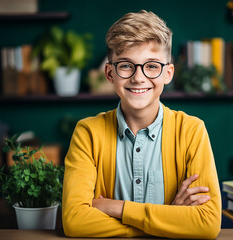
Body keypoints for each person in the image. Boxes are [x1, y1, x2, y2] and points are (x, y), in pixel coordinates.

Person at [62, 10, 221, 239]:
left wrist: (116, 208)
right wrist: (169, 221)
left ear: (168, 73)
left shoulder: (191, 131)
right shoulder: (88, 133)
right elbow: (75, 222)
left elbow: (207, 224)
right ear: (109, 73)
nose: (138, 78)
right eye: (126, 65)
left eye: (152, 66)